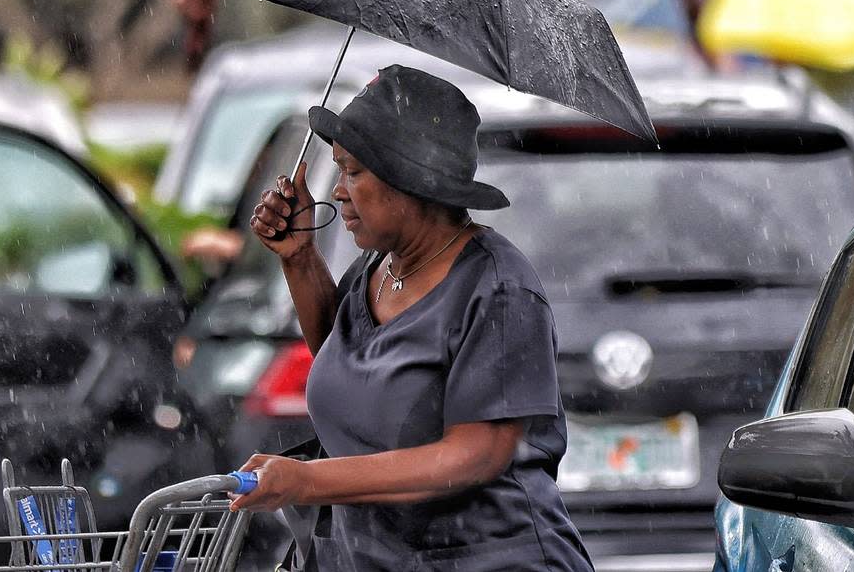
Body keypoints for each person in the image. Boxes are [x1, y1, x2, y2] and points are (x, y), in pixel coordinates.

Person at [234, 64, 594, 571]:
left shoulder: (499, 291)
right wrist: (298, 258)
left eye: (353, 171)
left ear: (411, 178)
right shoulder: (377, 268)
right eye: (338, 169)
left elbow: (476, 455)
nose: (337, 191)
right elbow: (358, 371)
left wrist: (308, 481)